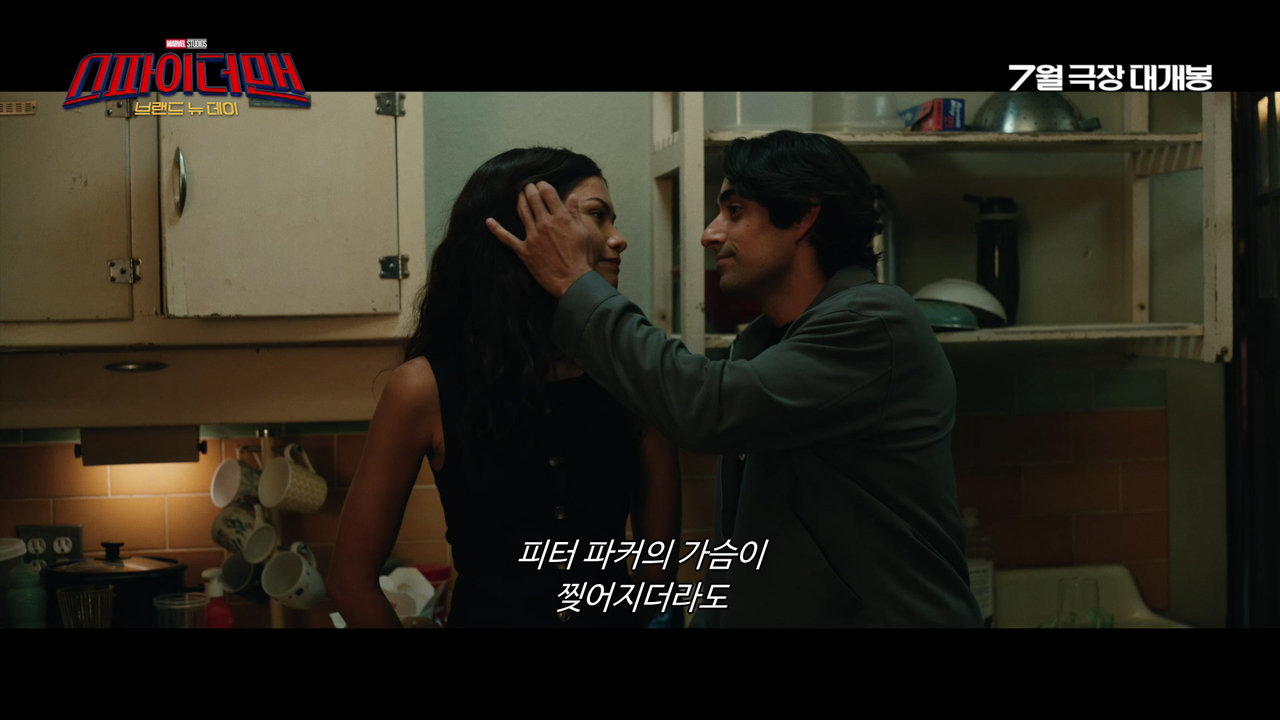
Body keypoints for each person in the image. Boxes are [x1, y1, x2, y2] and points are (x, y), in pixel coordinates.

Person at [487, 130, 982, 627]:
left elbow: (707, 409)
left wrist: (575, 284)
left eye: (735, 211)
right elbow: (747, 547)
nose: (710, 234)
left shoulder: (874, 323)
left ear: (804, 216)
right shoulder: (763, 342)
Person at [329, 147, 682, 628]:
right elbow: (351, 579)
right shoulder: (425, 388)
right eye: (597, 216)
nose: (618, 239)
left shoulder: (632, 369)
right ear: (524, 232)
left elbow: (658, 568)